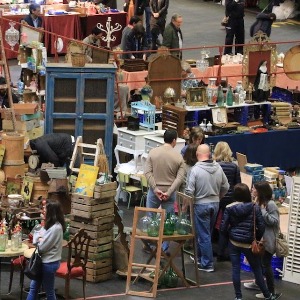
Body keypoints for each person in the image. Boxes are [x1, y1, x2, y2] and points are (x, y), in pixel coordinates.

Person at [220, 183, 281, 300]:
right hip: (249, 243)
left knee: (235, 269)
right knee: (257, 268)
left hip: (234, 242)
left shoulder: (229, 208)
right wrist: (256, 239)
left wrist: (230, 235)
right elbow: (261, 225)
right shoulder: (254, 207)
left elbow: (223, 228)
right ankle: (268, 295)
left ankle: (238, 296)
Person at [185, 144, 229, 272]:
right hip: (215, 204)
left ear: (197, 154)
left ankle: (207, 264)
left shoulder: (195, 170)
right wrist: (218, 197)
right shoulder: (218, 167)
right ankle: (200, 258)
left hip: (200, 205)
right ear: (209, 154)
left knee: (203, 234)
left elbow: (189, 191)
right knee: (206, 233)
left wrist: (188, 204)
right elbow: (226, 186)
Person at [144, 129, 185, 251]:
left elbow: (147, 172)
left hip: (154, 192)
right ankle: (164, 247)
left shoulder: (153, 152)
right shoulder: (178, 157)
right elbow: (180, 178)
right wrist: (169, 191)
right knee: (168, 221)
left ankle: (151, 245)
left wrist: (156, 189)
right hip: (169, 194)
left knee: (150, 217)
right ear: (174, 141)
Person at [244, 182, 282, 299]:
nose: (252, 190)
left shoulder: (270, 205)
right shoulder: (258, 202)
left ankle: (271, 292)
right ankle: (258, 283)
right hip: (260, 239)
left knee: (265, 265)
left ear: (260, 192)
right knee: (258, 263)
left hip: (268, 241)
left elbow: (274, 221)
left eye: (254, 189)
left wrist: (263, 211)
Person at [27, 199, 66, 300]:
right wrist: (39, 237)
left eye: (45, 209)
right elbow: (36, 239)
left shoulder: (56, 228)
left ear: (51, 211)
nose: (42, 210)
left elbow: (41, 247)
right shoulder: (49, 225)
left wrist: (39, 239)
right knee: (33, 288)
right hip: (43, 262)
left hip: (48, 264)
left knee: (49, 292)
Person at [212, 141, 241, 261]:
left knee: (212, 224)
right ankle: (223, 251)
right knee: (225, 225)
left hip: (216, 197)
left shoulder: (214, 165)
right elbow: (238, 184)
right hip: (230, 199)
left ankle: (211, 249)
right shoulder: (234, 166)